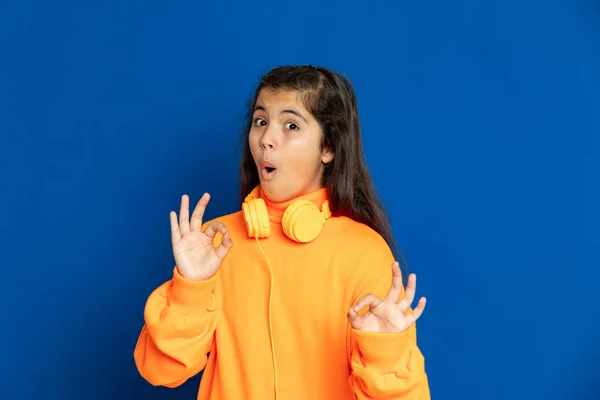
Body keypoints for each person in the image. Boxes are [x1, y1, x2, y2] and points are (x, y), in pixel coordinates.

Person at [134, 65, 430, 399]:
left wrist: (383, 354)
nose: (266, 139)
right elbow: (159, 371)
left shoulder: (364, 253)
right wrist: (191, 289)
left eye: (290, 125)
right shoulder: (215, 244)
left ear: (328, 147)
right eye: (261, 121)